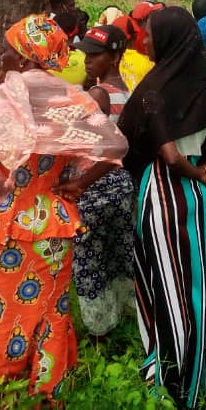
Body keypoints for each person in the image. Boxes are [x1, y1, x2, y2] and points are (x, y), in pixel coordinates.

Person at [0, 15, 127, 410]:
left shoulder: (2, 99)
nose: (2, 55)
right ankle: (46, 401)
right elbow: (114, 148)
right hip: (55, 224)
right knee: (51, 312)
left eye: (8, 48)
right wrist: (77, 185)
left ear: (23, 57)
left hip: (10, 222)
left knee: (2, 313)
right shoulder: (71, 99)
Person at [116, 6, 206, 410]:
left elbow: (162, 155)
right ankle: (204, 372)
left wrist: (189, 173)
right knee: (199, 280)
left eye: (149, 35)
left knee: (162, 280)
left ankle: (167, 373)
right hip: (199, 200)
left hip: (161, 194)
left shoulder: (153, 90)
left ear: (166, 39)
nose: (144, 41)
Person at [68, 24, 138, 338]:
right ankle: (125, 315)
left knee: (90, 261)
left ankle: (98, 329)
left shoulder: (97, 94)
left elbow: (85, 144)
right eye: (86, 54)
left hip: (93, 186)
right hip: (121, 184)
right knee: (118, 254)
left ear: (114, 56)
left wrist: (79, 182)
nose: (87, 60)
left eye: (95, 55)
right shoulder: (128, 91)